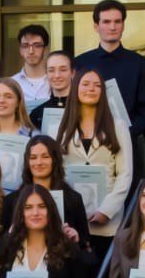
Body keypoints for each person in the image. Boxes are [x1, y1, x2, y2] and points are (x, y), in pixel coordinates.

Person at [56, 68, 133, 252]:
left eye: (97, 85)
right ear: (75, 88)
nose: (91, 89)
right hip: (71, 218)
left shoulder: (118, 127)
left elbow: (125, 173)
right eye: (85, 84)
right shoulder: (63, 127)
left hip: (107, 220)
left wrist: (107, 211)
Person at [74, 0, 145, 168]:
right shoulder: (81, 63)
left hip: (128, 144)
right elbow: (73, 104)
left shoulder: (138, 63)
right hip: (87, 144)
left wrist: (124, 134)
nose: (112, 27)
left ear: (123, 25)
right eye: (106, 21)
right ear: (96, 26)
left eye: (117, 21)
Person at [9, 135, 90, 249]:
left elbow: (85, 243)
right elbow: (2, 246)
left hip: (62, 263)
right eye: (33, 157)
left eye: (45, 156)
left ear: (55, 160)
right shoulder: (11, 200)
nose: (39, 162)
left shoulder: (73, 199)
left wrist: (75, 238)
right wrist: (10, 235)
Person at [29, 50, 74, 133]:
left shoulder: (84, 109)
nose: (57, 75)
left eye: (63, 70)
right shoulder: (37, 113)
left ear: (72, 73)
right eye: (51, 70)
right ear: (46, 73)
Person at [10, 23, 52, 109]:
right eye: (25, 46)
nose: (31, 51)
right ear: (20, 50)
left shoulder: (56, 80)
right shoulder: (12, 83)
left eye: (37, 45)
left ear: (46, 50)